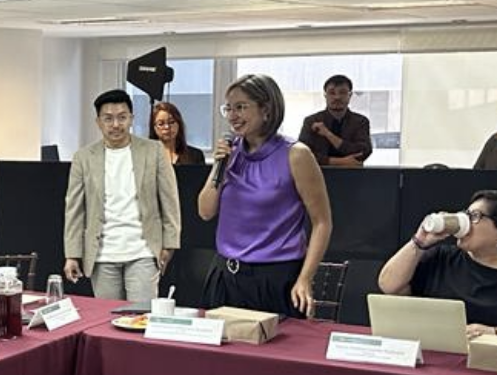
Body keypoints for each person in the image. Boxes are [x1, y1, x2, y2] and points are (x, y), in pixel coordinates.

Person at [197, 74, 332, 317]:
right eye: (228, 108)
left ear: (266, 109)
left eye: (241, 107)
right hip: (225, 275)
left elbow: (322, 222)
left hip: (275, 277)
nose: (232, 116)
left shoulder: (296, 154)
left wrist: (305, 278)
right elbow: (205, 212)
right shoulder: (230, 153)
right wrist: (219, 165)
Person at [377, 190, 497, 343]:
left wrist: (493, 332)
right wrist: (419, 241)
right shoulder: (442, 258)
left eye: (475, 217)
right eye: (466, 214)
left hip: (490, 363)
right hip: (435, 357)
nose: (464, 222)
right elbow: (389, 286)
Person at [64, 89, 181, 303]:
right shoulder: (83, 157)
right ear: (98, 122)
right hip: (102, 255)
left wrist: (170, 244)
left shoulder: (153, 150)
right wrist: (72, 255)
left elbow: (170, 200)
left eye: (122, 117)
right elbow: (74, 209)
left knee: (141, 316)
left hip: (143, 251)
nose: (116, 124)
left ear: (131, 118)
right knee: (107, 317)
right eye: (108, 118)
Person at [297, 75, 373, 168]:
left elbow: (363, 152)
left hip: (353, 174)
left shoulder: (360, 121)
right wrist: (341, 162)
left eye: (342, 92)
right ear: (325, 96)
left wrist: (328, 134)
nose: (337, 97)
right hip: (317, 174)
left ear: (350, 95)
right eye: (332, 93)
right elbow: (302, 155)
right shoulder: (311, 121)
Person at [150, 101, 206, 166]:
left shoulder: (195, 155)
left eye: (171, 122)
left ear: (179, 124)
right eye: (161, 124)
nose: (167, 127)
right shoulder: (146, 155)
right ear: (154, 127)